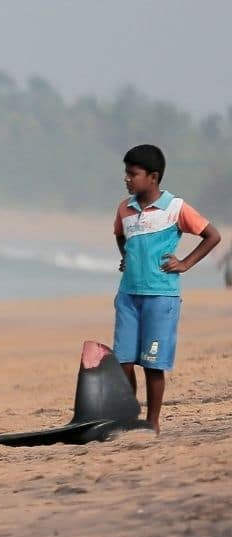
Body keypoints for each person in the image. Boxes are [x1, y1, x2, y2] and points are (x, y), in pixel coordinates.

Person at [113, 144, 221, 433]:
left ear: (153, 176)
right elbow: (121, 236)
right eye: (126, 173)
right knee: (123, 360)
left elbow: (212, 235)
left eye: (132, 174)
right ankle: (131, 416)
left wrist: (185, 263)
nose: (127, 179)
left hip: (161, 297)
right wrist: (127, 257)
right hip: (128, 296)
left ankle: (153, 422)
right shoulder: (125, 208)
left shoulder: (175, 208)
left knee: (152, 363)